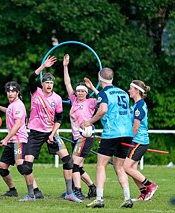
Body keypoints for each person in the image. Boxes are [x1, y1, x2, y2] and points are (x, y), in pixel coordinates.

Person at [18, 56, 82, 203]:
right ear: (42, 84)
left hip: (50, 133)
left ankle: (69, 193)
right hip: (34, 133)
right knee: (26, 167)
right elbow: (30, 79)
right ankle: (31, 195)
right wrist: (43, 67)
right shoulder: (35, 92)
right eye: (46, 82)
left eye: (51, 83)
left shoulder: (58, 99)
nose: (49, 85)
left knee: (68, 161)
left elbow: (59, 119)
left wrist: (52, 134)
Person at [82, 67, 134, 208]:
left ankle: (99, 198)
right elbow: (109, 100)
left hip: (112, 133)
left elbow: (103, 109)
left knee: (101, 165)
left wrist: (89, 122)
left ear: (100, 78)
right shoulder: (123, 92)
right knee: (119, 167)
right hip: (127, 133)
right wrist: (93, 87)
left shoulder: (104, 94)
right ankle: (127, 198)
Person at [0, 81, 44, 199]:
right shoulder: (12, 105)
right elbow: (9, 111)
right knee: (2, 167)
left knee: (23, 167)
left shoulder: (18, 105)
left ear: (18, 92)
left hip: (18, 140)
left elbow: (17, 125)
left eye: (13, 91)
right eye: (8, 91)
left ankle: (34, 192)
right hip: (12, 141)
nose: (10, 93)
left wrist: (6, 139)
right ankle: (12, 190)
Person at [63, 54, 98, 200]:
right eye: (78, 91)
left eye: (83, 91)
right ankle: (92, 188)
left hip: (86, 137)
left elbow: (104, 99)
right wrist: (65, 66)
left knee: (73, 164)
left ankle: (77, 190)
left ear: (87, 92)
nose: (80, 93)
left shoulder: (91, 102)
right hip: (76, 138)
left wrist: (92, 88)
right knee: (77, 166)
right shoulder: (74, 101)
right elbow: (67, 83)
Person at [123, 80, 158, 201]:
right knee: (132, 169)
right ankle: (143, 193)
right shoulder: (136, 105)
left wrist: (128, 140)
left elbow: (136, 127)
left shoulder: (139, 106)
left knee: (126, 167)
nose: (129, 91)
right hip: (138, 141)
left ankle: (150, 186)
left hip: (139, 141)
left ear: (137, 91)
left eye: (130, 88)